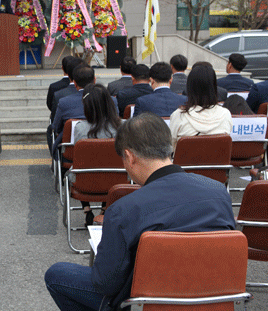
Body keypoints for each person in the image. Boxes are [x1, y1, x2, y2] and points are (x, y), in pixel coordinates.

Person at [45, 112, 236, 311]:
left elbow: (105, 283)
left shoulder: (124, 209)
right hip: (212, 297)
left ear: (129, 156)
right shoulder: (218, 193)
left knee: (57, 275)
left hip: (147, 302)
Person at [73, 84, 122, 226]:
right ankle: (104, 210)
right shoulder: (123, 126)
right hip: (117, 181)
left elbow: (79, 157)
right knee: (110, 164)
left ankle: (87, 210)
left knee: (84, 166)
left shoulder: (80, 128)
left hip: (85, 184)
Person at [170, 62, 233, 148]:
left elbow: (171, 146)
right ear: (214, 86)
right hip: (217, 161)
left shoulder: (179, 115)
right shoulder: (226, 114)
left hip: (186, 161)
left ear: (189, 87)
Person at [51, 64, 96, 156]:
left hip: (72, 153)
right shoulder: (111, 100)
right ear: (95, 80)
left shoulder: (64, 102)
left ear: (74, 83)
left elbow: (56, 127)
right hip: (105, 151)